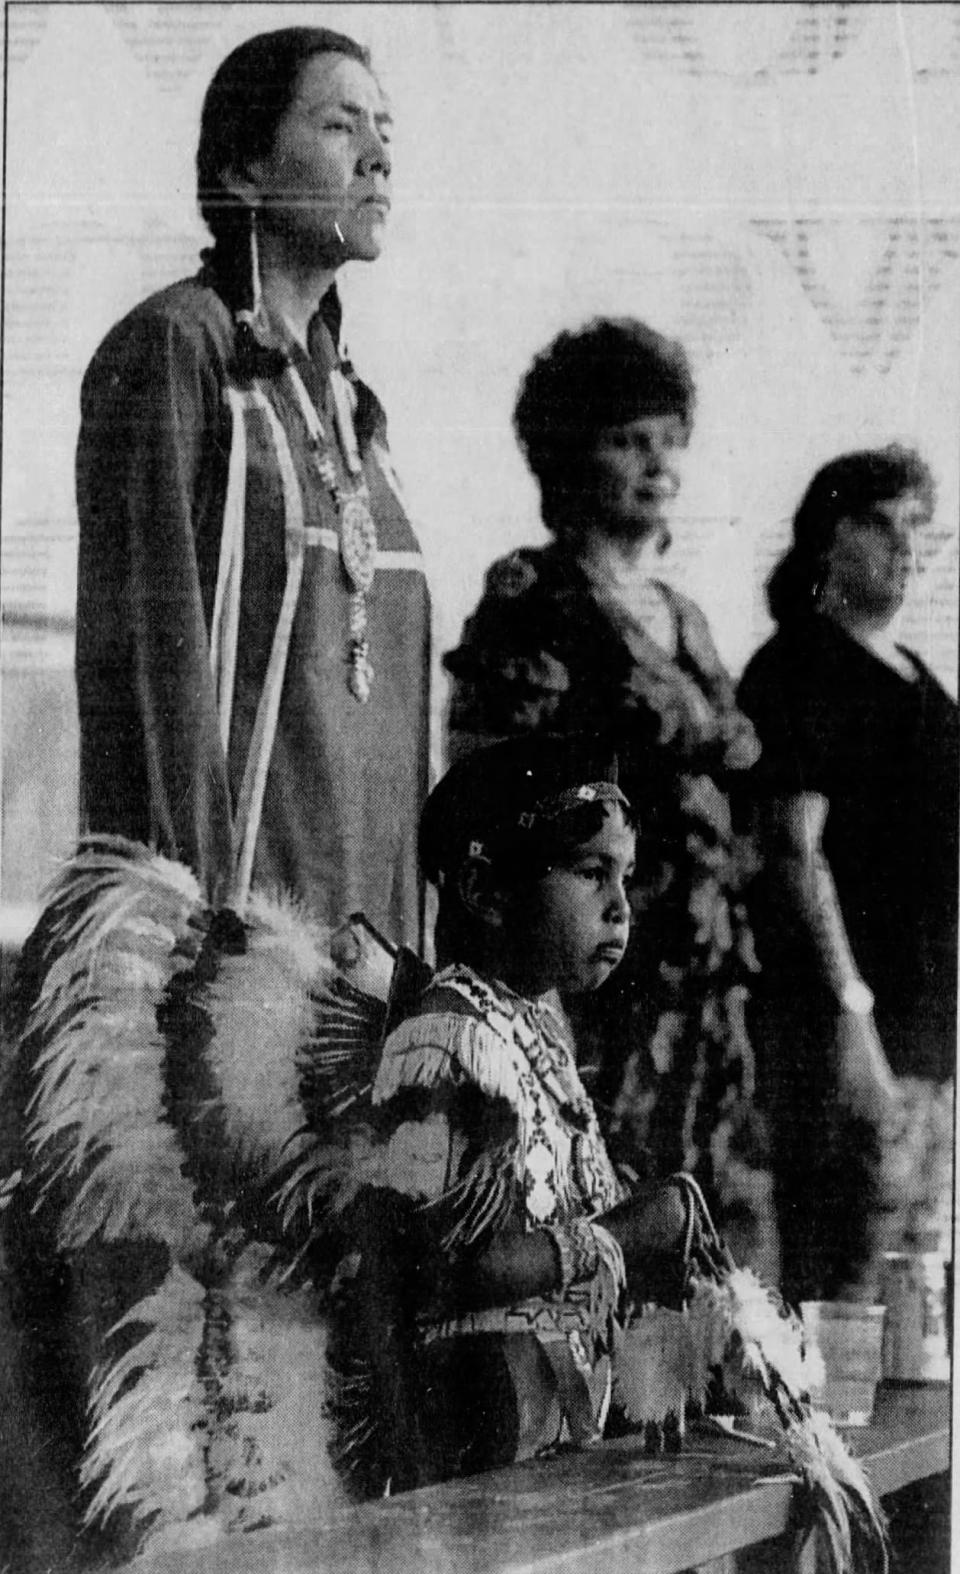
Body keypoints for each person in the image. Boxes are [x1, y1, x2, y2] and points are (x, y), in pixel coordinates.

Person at [74, 27, 430, 941]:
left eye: (384, 129)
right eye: (341, 127)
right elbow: (154, 660)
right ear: (241, 171)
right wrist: (189, 924)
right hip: (228, 941)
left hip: (360, 952)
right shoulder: (179, 349)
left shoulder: (355, 407)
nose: (380, 157)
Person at [443, 318, 773, 1274]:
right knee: (599, 1197)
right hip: (596, 973)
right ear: (569, 454)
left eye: (671, 439)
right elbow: (489, 784)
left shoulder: (687, 615)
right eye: (630, 439)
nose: (659, 463)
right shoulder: (532, 595)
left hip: (703, 973)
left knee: (706, 1206)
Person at [327, 734, 700, 1494]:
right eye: (592, 873)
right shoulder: (447, 1034)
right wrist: (622, 1235)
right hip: (472, 1448)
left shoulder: (532, 1028)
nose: (620, 908)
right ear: (487, 890)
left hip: (545, 1439)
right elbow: (431, 1269)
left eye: (624, 876)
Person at [738, 445, 957, 1303]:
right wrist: (851, 1017)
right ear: (828, 535)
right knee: (839, 1292)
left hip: (927, 1037)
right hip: (843, 1037)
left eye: (919, 531)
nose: (907, 549)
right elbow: (795, 853)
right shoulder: (799, 665)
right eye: (884, 525)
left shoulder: (915, 678)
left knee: (909, 1302)